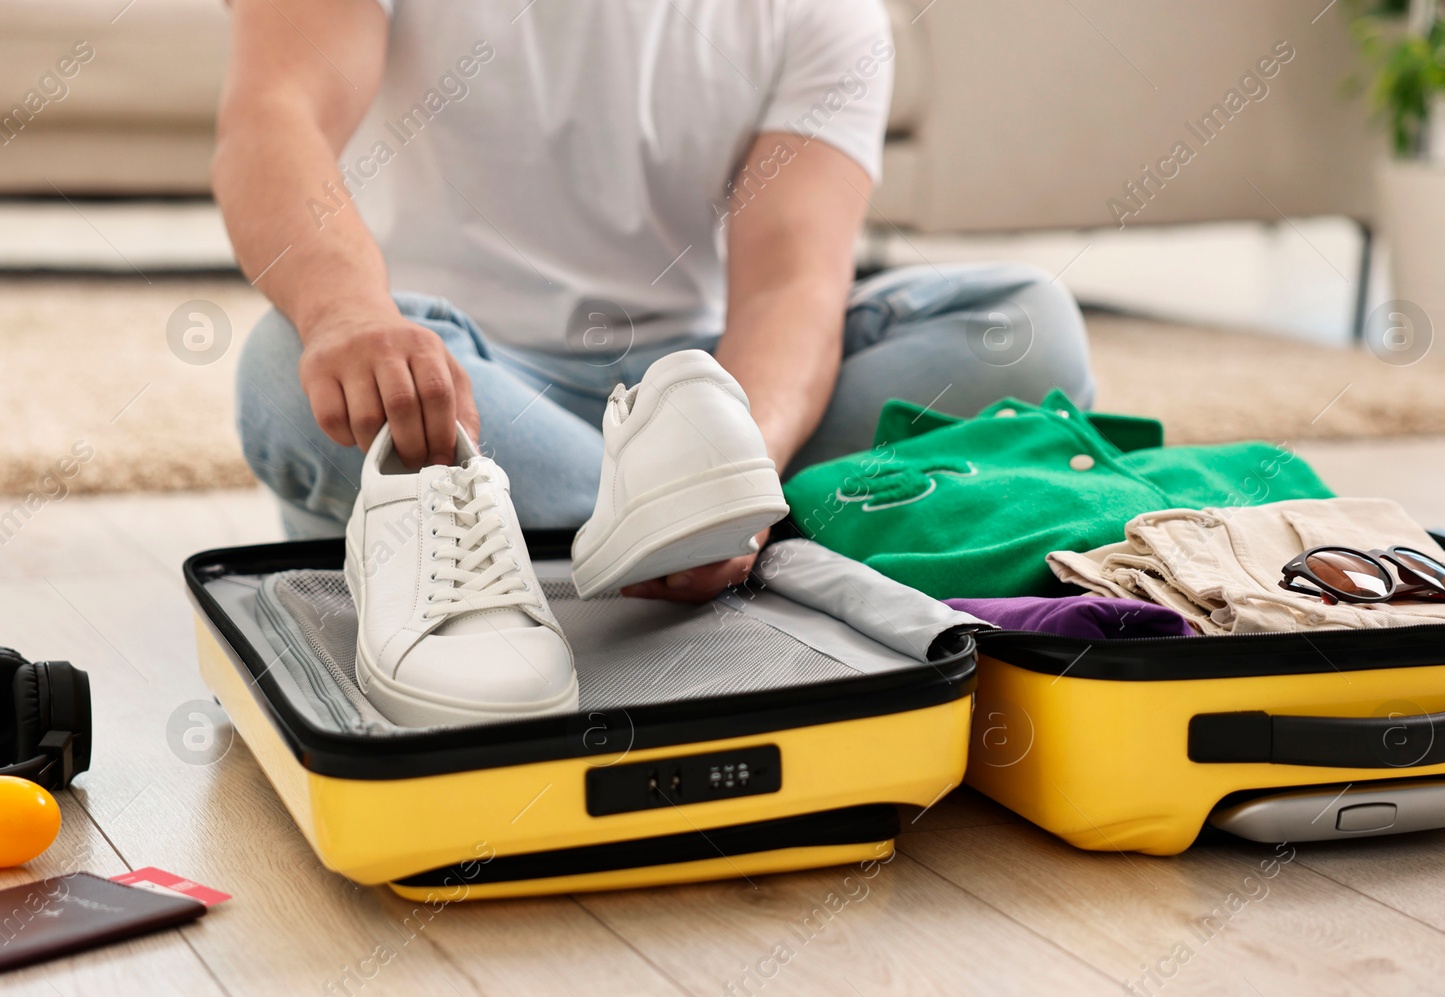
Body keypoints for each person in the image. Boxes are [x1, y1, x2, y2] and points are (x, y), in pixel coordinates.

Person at [219, 0, 1095, 604]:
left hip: (702, 387)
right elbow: (275, 112)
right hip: (459, 381)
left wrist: (727, 469)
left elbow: (794, 281)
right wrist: (350, 316)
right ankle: (700, 542)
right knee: (283, 379)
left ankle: (584, 544)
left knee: (1027, 331)